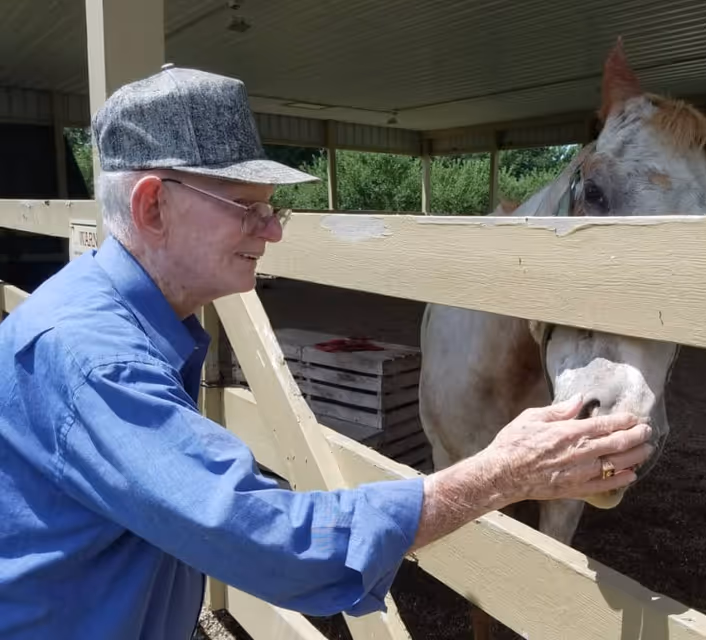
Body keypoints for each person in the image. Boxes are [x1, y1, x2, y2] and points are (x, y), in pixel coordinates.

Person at [0, 65, 655, 640]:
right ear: (152, 207)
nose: (274, 228)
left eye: (272, 207)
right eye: (248, 206)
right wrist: (504, 473)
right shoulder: (97, 359)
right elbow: (283, 545)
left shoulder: (110, 319)